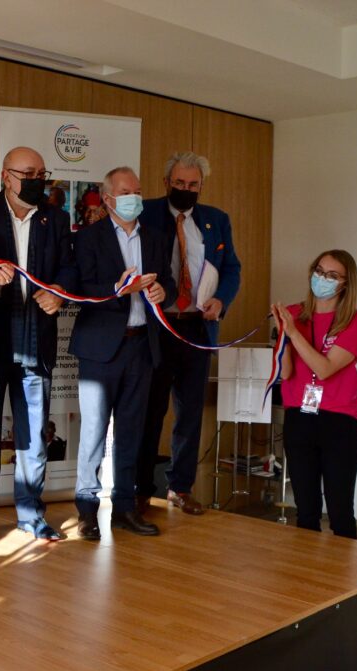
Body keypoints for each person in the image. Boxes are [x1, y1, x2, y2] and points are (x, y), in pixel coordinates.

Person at [0, 147, 77, 542]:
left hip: (36, 331)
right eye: (28, 172)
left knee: (33, 431)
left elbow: (69, 268)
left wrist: (60, 290)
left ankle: (31, 514)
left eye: (42, 172)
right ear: (6, 176)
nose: (37, 179)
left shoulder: (55, 217)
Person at [69, 166, 176, 541]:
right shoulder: (88, 238)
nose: (135, 198)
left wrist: (165, 294)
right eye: (127, 192)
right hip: (101, 348)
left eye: (139, 190)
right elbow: (79, 288)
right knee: (94, 432)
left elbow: (170, 283)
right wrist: (115, 288)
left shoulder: (157, 237)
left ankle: (125, 508)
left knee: (133, 431)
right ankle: (86, 511)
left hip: (142, 346)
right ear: (110, 198)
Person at [137, 152, 241, 516]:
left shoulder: (216, 220)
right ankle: (140, 488)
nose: (185, 190)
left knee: (190, 413)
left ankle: (180, 488)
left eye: (192, 185)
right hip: (157, 327)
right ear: (166, 182)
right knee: (150, 411)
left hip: (197, 327)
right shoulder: (145, 213)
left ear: (201, 186)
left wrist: (220, 301)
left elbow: (231, 269)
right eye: (179, 184)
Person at [272, 250, 357, 539]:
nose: (322, 279)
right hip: (299, 418)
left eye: (332, 275)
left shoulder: (356, 320)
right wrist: (282, 336)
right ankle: (307, 580)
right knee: (306, 511)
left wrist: (294, 333)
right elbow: (285, 373)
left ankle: (344, 581)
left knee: (340, 511)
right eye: (319, 271)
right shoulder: (293, 314)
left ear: (345, 284)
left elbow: (324, 369)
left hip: (338, 422)